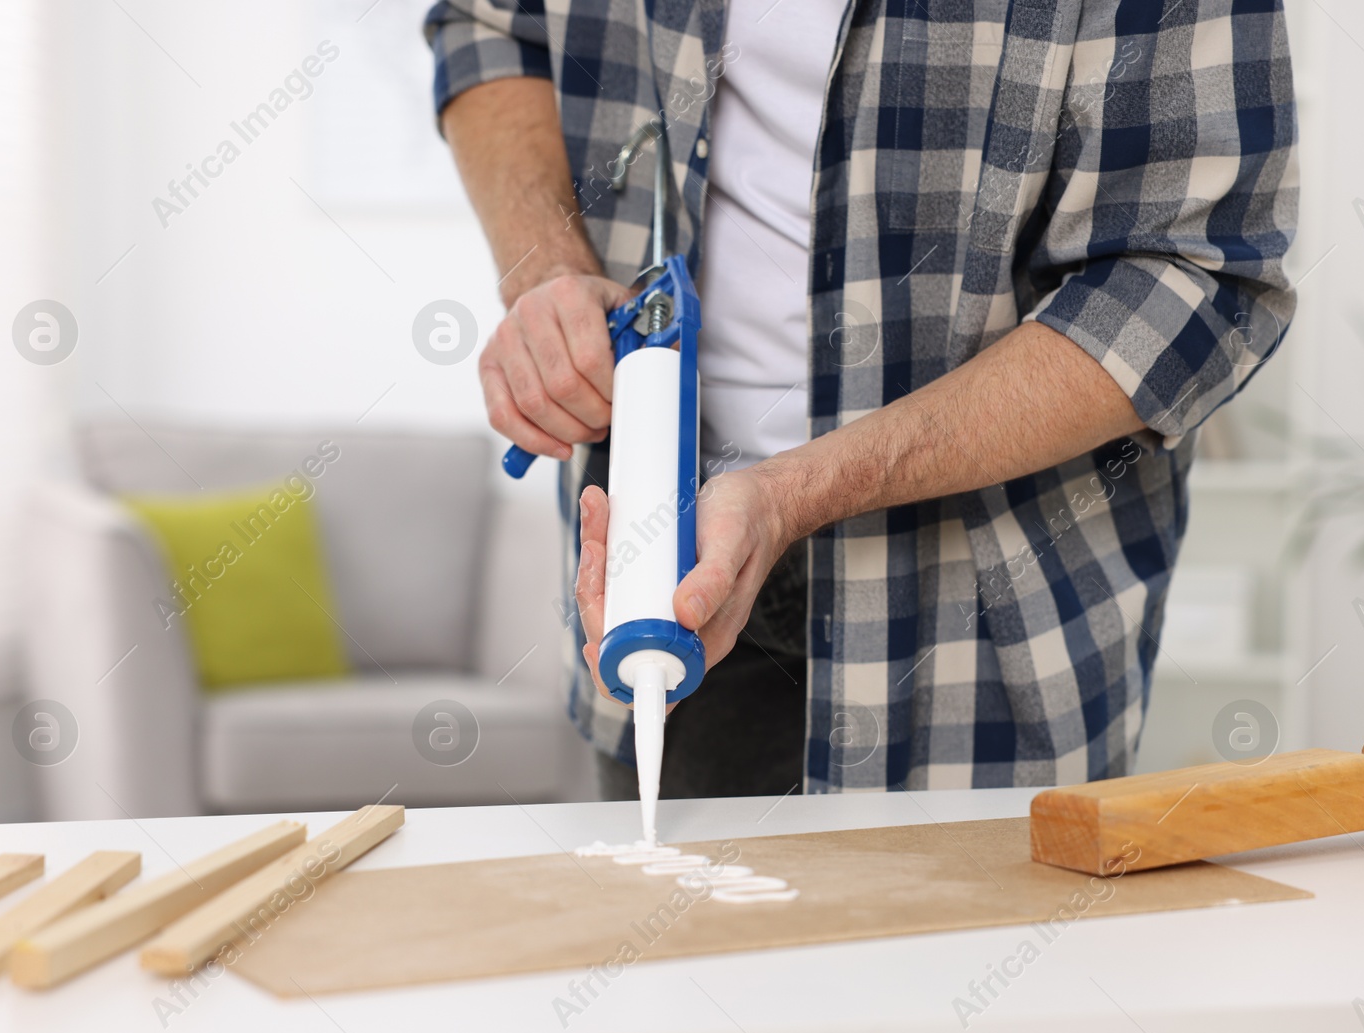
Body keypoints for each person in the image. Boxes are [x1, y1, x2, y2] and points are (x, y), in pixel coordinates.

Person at [425, 1, 1297, 800]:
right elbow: (491, 27)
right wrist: (547, 274)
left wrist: (793, 493)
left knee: (956, 964)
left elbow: (1196, 276)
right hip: (658, 567)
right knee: (671, 947)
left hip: (987, 636)